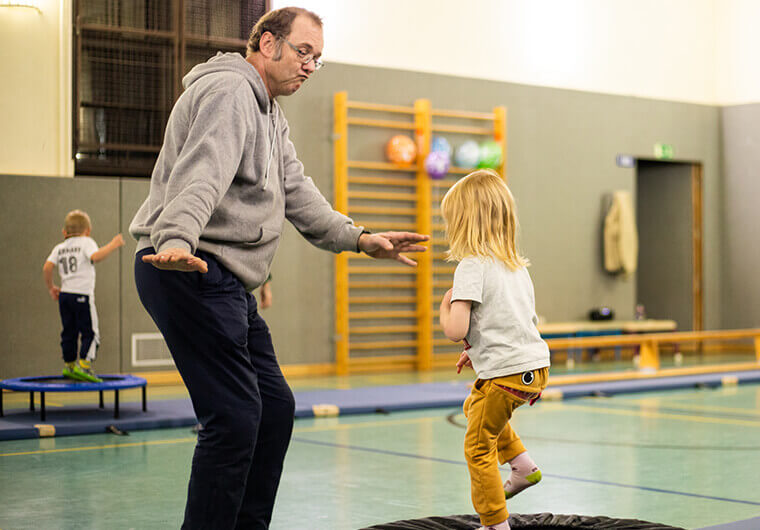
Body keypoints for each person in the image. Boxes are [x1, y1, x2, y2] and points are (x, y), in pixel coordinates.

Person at [128, 7, 429, 528]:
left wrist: (360, 239)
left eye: (318, 58)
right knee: (236, 417)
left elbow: (298, 194)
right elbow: (201, 171)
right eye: (303, 52)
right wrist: (176, 236)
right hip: (187, 266)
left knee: (272, 409)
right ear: (267, 44)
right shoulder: (230, 93)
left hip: (222, 278)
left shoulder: (269, 112)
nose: (310, 66)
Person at [438, 170, 551, 530]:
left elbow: (456, 329)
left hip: (505, 374)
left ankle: (493, 523)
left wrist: (443, 307)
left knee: (477, 447)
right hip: (533, 366)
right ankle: (523, 467)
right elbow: (514, 320)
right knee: (477, 408)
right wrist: (477, 351)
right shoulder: (515, 266)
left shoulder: (471, 266)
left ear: (463, 223)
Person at [43, 210, 124, 383]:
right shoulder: (86, 242)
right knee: (91, 332)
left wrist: (51, 287)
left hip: (65, 296)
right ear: (87, 230)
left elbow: (47, 267)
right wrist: (113, 244)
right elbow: (95, 257)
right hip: (82, 295)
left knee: (69, 331)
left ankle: (70, 364)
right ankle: (85, 365)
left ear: (64, 232)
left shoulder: (59, 248)